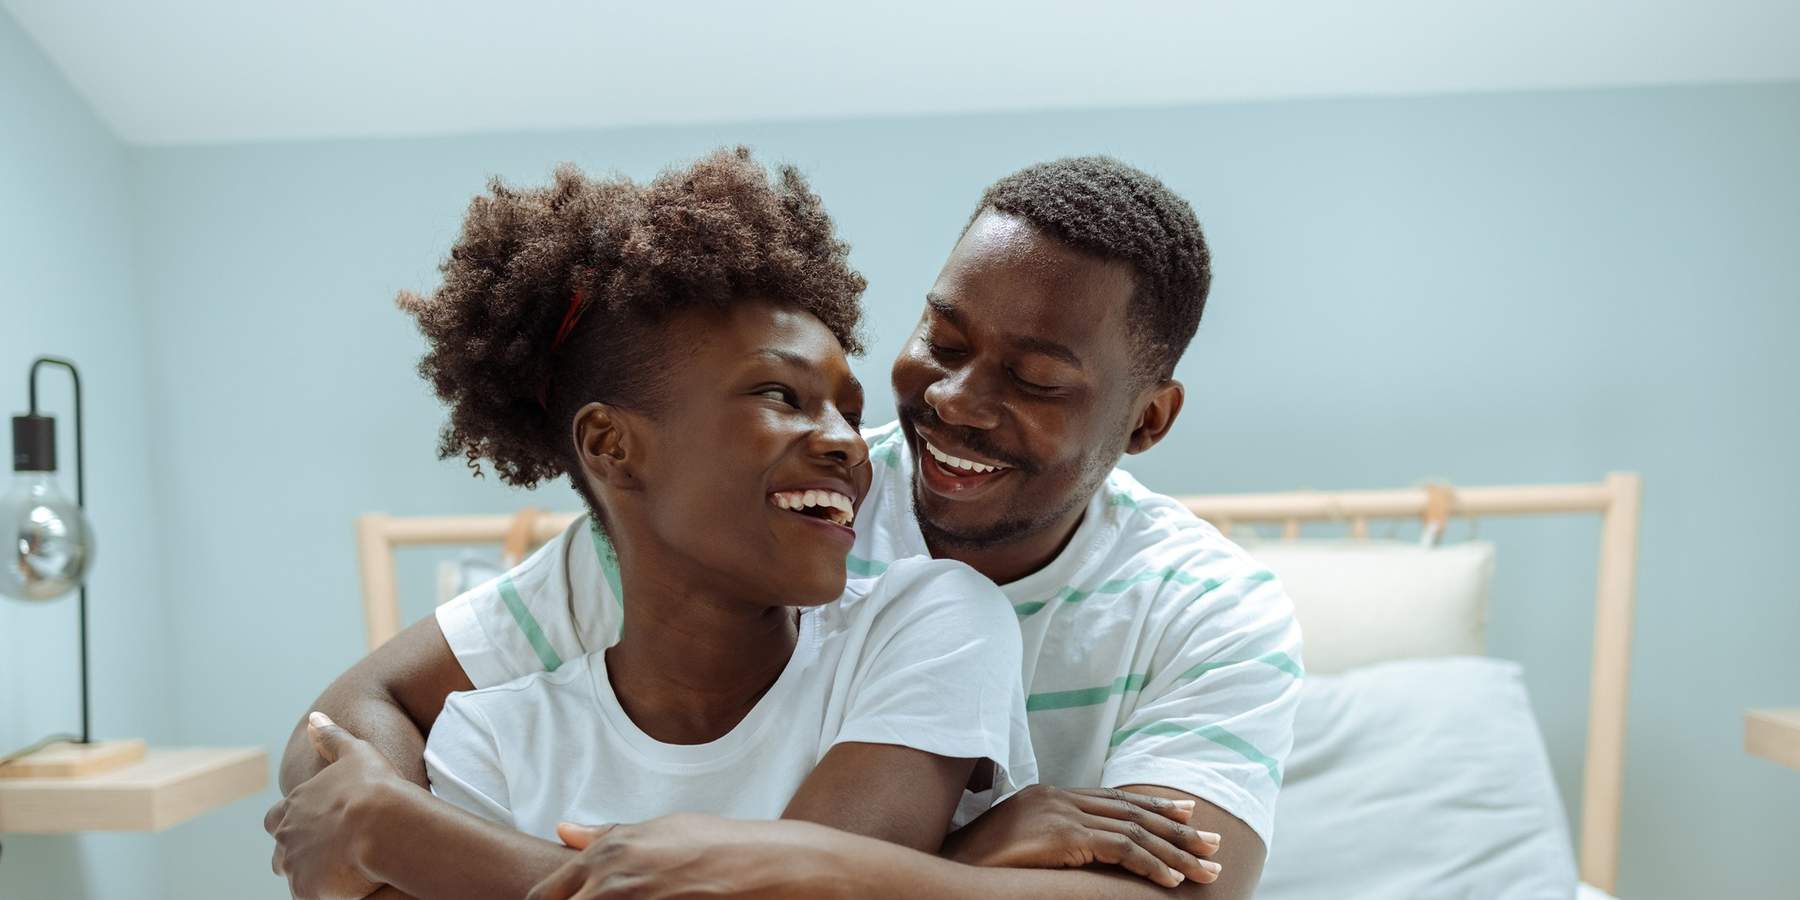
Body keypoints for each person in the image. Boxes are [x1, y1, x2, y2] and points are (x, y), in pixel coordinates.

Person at [269, 155, 1300, 900]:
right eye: (943, 341)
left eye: (1035, 380)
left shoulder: (1208, 609)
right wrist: (373, 820)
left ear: (1148, 419)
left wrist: (847, 867)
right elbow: (353, 716)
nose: (954, 401)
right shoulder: (734, 513)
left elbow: (1187, 895)